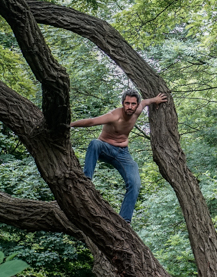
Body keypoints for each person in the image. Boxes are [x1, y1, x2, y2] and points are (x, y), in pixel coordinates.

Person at [69, 89, 167, 222]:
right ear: (123, 103)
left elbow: (146, 102)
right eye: (127, 103)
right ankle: (86, 180)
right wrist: (70, 125)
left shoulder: (137, 110)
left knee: (135, 183)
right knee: (94, 143)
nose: (130, 107)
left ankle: (124, 220)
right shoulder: (114, 116)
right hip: (105, 149)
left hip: (123, 153)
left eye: (133, 104)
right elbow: (91, 122)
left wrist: (155, 100)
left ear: (137, 105)